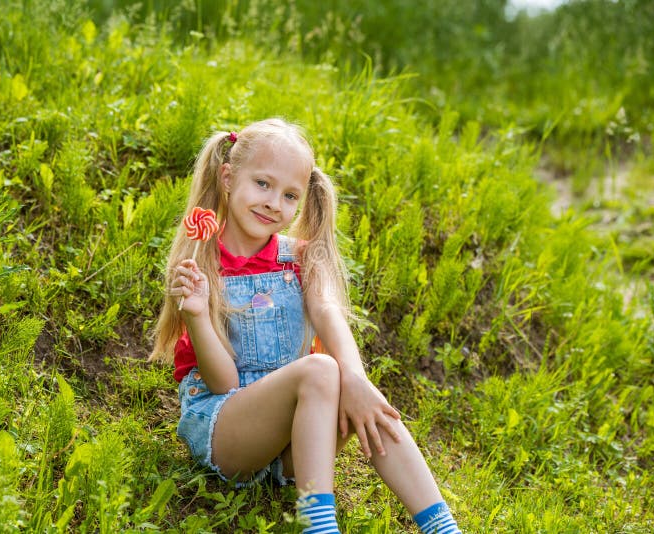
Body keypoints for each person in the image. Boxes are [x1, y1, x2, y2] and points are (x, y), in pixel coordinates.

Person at [150, 118, 461, 534]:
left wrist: (357, 382)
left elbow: (329, 312)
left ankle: (442, 526)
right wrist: (197, 314)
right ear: (227, 177)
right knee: (321, 368)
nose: (273, 203)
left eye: (289, 194)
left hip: (294, 447)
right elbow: (223, 384)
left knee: (364, 398)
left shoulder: (300, 257)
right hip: (228, 433)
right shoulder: (203, 265)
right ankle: (318, 526)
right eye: (262, 184)